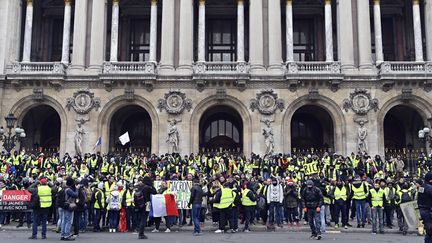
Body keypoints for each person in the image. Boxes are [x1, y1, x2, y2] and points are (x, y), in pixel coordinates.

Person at [61, 177, 80, 241]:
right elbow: (75, 195)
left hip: (64, 205)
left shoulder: (64, 188)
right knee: (68, 221)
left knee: (64, 220)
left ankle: (63, 234)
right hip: (69, 205)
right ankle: (67, 235)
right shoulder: (68, 190)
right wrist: (77, 189)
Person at [418, 172, 432, 243]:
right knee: (430, 231)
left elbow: (419, 198)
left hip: (422, 210)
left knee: (428, 231)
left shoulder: (421, 187)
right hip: (428, 211)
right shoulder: (430, 188)